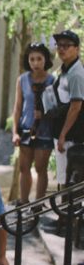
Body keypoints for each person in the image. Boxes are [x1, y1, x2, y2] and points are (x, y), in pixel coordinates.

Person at [11, 42, 55, 203]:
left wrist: (44, 113)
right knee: (24, 168)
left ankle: (38, 204)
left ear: (45, 60)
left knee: (40, 168)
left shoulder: (52, 81)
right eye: (32, 59)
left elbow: (56, 108)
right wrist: (15, 132)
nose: (35, 63)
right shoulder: (22, 80)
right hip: (26, 129)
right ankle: (23, 203)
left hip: (45, 131)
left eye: (39, 59)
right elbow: (17, 108)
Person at [51, 30, 84, 191]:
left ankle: (68, 216)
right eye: (59, 45)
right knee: (65, 177)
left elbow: (76, 106)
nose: (61, 49)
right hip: (62, 133)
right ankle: (66, 215)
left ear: (76, 49)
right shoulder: (66, 69)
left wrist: (63, 135)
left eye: (66, 45)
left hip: (71, 136)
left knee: (70, 179)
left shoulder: (76, 74)